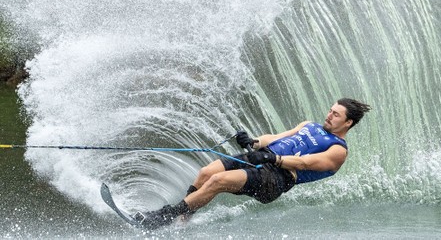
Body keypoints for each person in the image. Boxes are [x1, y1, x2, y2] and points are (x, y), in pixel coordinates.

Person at [133, 97, 371, 229]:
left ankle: (162, 218)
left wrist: (273, 158)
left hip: (276, 179)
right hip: (262, 159)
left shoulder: (338, 150)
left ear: (348, 123)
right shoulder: (309, 125)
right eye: (330, 110)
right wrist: (255, 142)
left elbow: (306, 163)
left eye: (335, 114)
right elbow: (276, 138)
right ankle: (183, 220)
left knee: (217, 181)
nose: (329, 115)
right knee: (207, 172)